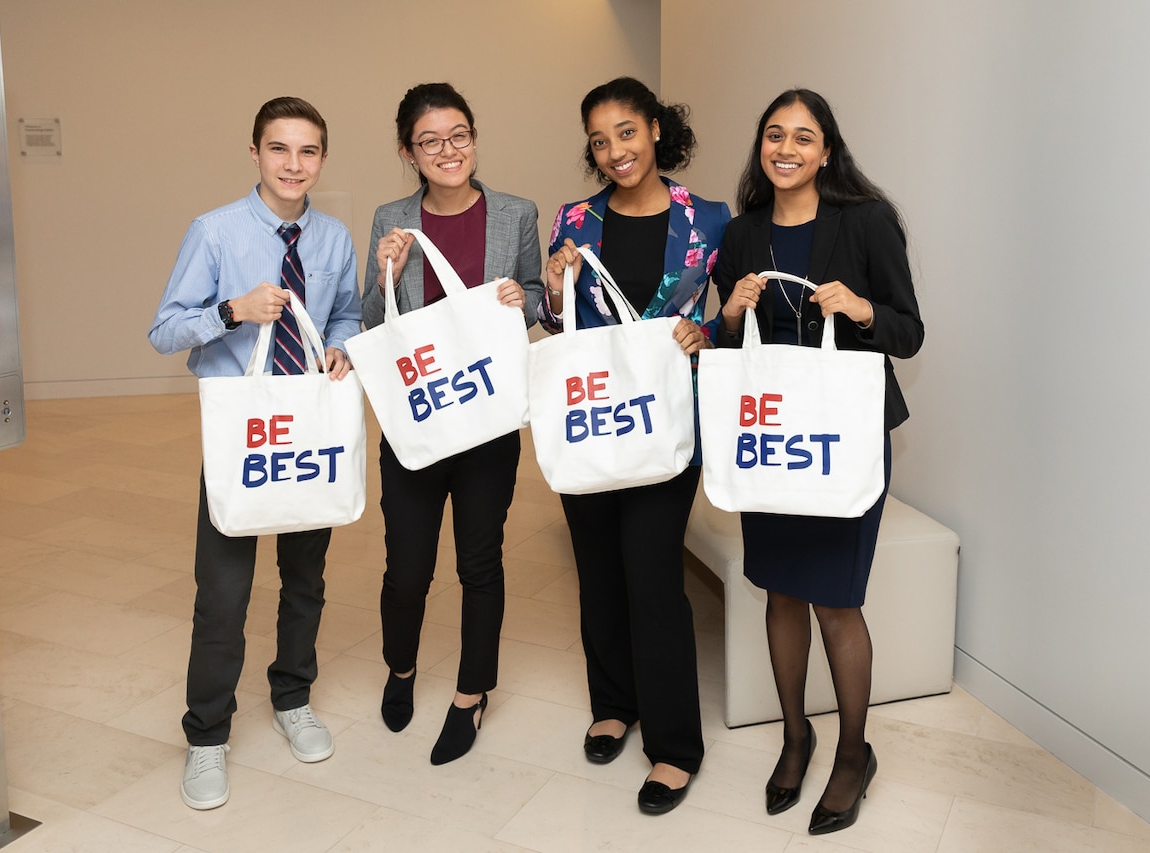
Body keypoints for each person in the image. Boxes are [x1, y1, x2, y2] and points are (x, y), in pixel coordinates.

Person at [711, 89, 924, 835]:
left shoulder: (865, 222)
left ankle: (853, 752)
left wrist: (861, 309)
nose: (787, 148)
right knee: (779, 591)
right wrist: (730, 313)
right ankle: (795, 734)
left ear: (827, 151)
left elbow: (908, 331)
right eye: (775, 134)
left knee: (836, 597)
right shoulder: (741, 235)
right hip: (772, 438)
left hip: (846, 438)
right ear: (761, 146)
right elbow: (726, 351)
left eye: (804, 137)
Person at [149, 96, 361, 810]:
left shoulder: (332, 238)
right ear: (255, 154)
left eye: (307, 152)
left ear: (322, 160)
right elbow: (165, 331)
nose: (293, 165)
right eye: (279, 149)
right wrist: (232, 310)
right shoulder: (213, 232)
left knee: (306, 580)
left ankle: (292, 696)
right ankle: (207, 737)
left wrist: (340, 347)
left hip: (307, 431)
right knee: (224, 593)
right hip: (241, 435)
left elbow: (349, 313)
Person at [540, 76, 729, 815]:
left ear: (654, 129)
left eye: (625, 131)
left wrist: (704, 331)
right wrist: (554, 286)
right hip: (589, 418)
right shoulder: (574, 219)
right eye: (599, 139)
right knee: (597, 569)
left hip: (665, 422)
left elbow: (730, 315)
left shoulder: (709, 220)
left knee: (651, 575)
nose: (614, 149)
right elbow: (561, 328)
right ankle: (613, 703)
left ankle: (676, 746)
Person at [362, 82, 542, 765]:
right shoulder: (391, 216)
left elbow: (530, 306)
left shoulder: (516, 212)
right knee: (406, 569)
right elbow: (374, 322)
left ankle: (472, 692)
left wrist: (524, 298)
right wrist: (387, 274)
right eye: (431, 140)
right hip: (418, 419)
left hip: (488, 421)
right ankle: (400, 668)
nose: (448, 150)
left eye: (459, 135)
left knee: (479, 560)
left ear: (474, 137)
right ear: (407, 149)